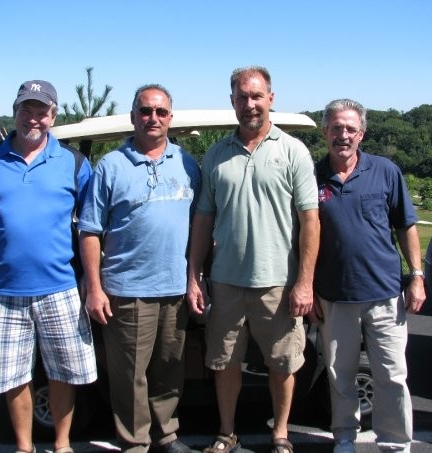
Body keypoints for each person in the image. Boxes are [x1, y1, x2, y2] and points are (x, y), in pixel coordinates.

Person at [186, 66, 320, 453]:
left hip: (278, 282)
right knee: (225, 364)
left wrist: (305, 281)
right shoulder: (216, 154)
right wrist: (194, 276)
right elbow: (203, 219)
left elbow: (310, 221)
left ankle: (280, 434)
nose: (250, 104)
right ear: (232, 101)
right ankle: (226, 432)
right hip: (226, 282)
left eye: (257, 96)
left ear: (270, 99)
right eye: (242, 97)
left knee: (283, 364)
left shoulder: (293, 150)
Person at [0, 80, 97, 453]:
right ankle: (24, 447)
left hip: (61, 287)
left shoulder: (74, 163)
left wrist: (91, 280)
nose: (33, 118)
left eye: (41, 111)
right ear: (15, 112)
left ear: (53, 115)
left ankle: (62, 444)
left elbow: (91, 227)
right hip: (3, 292)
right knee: (12, 378)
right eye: (26, 109)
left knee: (63, 374)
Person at [78, 84, 200, 453]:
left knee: (169, 369)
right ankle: (135, 443)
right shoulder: (111, 166)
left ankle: (167, 435)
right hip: (127, 291)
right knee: (130, 377)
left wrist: (196, 278)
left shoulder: (186, 162)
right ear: (133, 116)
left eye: (161, 112)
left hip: (175, 289)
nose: (153, 118)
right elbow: (90, 230)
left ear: (170, 118)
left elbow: (199, 225)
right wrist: (95, 287)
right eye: (145, 111)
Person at [312, 99, 426, 453]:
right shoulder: (312, 175)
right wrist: (310, 287)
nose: (342, 135)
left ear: (361, 133)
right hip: (333, 296)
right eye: (335, 128)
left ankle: (394, 444)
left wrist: (417, 276)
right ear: (325, 131)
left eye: (350, 128)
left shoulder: (386, 171)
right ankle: (344, 437)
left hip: (385, 294)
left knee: (391, 376)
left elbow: (406, 226)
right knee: (339, 376)